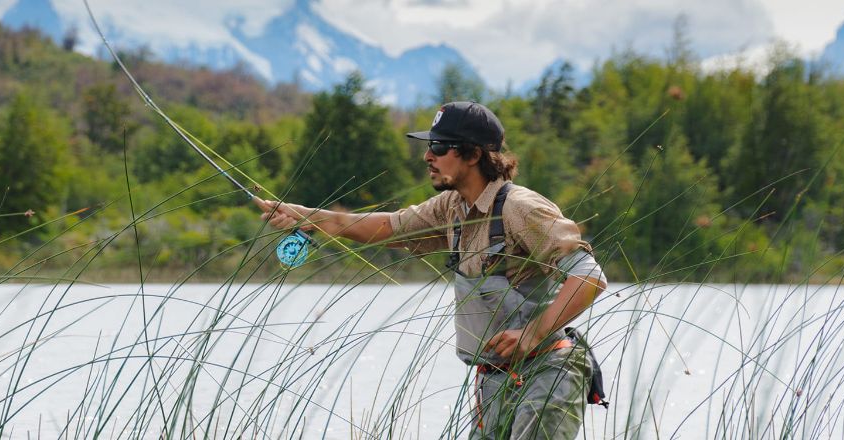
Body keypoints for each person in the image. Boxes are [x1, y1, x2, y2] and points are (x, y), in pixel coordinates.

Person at [256, 101, 608, 439]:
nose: (428, 156)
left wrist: (533, 333)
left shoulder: (520, 207)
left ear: (473, 154)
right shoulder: (451, 207)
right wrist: (306, 216)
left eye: (439, 147)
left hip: (548, 370)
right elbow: (389, 227)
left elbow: (590, 277)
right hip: (495, 379)